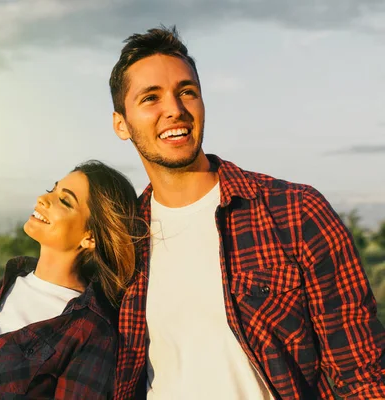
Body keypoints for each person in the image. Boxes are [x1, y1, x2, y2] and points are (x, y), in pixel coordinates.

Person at [109, 25, 385, 399]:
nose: (174, 110)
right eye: (151, 98)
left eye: (186, 92)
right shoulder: (124, 242)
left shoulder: (295, 213)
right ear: (121, 124)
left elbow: (364, 373)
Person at [0, 160, 139, 399]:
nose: (43, 198)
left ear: (90, 237)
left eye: (64, 200)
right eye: (52, 189)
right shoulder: (15, 277)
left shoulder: (91, 330)